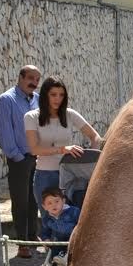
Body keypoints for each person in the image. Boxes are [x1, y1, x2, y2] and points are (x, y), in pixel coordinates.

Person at [25, 77, 102, 219]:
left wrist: (90, 160)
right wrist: (62, 149)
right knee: (49, 221)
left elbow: (95, 137)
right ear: (45, 95)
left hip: (71, 175)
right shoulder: (31, 117)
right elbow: (34, 149)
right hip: (45, 175)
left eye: (61, 95)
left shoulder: (70, 114)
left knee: (74, 218)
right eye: (53, 94)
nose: (58, 99)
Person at [0, 65, 41, 258]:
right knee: (20, 201)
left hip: (37, 157)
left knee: (34, 200)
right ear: (20, 77)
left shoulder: (37, 100)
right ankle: (22, 243)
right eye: (30, 78)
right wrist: (18, 157)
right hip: (19, 159)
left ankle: (32, 237)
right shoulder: (6, 100)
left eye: (37, 79)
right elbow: (5, 135)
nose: (34, 82)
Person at [39, 187, 81, 264]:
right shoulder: (47, 218)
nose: (54, 205)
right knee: (53, 248)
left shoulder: (73, 211)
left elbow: (81, 224)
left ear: (63, 201)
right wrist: (46, 239)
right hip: (58, 240)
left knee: (74, 247)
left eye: (57, 201)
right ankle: (55, 265)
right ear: (44, 206)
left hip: (73, 238)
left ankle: (66, 258)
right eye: (49, 203)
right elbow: (45, 231)